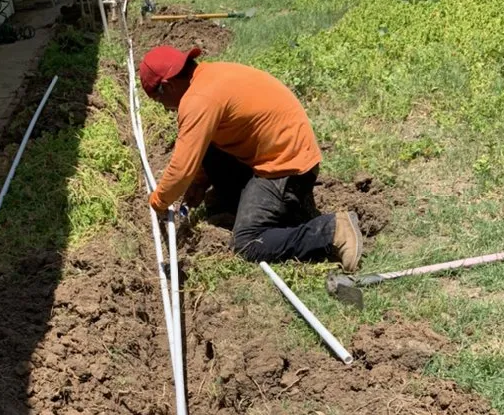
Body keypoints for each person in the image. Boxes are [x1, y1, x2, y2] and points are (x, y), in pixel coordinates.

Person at [139, 45, 362, 272]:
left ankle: (331, 230)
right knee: (209, 146)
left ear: (167, 86)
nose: (167, 109)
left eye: (160, 101)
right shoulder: (209, 77)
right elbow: (201, 151)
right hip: (280, 151)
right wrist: (199, 181)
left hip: (287, 167)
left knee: (247, 243)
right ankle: (245, 204)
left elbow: (180, 169)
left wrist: (157, 203)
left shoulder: (198, 99)